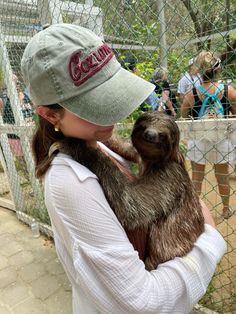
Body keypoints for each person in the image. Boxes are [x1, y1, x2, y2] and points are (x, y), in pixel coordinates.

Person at [21, 24, 226, 313]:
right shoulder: (70, 180)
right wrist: (212, 240)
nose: (112, 113)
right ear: (50, 113)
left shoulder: (94, 141)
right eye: (94, 105)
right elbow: (143, 302)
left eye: (110, 91)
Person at [181, 50, 236, 219]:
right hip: (221, 139)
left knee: (197, 177)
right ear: (218, 70)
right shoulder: (229, 90)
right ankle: (226, 209)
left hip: (199, 140)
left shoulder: (192, 93)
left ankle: (195, 210)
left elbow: (184, 116)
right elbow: (234, 114)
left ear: (199, 72)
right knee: (222, 176)